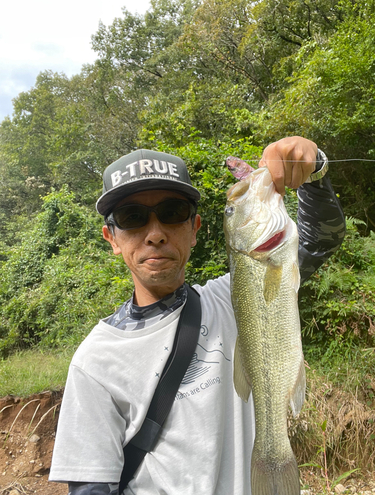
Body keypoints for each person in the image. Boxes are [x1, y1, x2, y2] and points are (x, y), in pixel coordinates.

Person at [49, 136, 345, 495]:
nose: (155, 234)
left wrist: (313, 170)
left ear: (195, 229)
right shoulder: (94, 362)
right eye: (132, 218)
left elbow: (320, 239)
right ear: (111, 238)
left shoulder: (233, 298)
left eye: (172, 212)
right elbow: (90, 488)